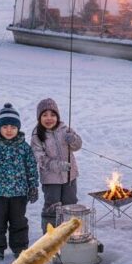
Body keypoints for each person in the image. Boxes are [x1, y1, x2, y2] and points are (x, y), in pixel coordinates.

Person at [0, 103, 39, 261]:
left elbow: (31, 168)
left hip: (19, 193)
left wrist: (33, 187)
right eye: (5, 127)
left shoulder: (24, 147)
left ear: (18, 128)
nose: (9, 130)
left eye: (13, 127)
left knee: (19, 222)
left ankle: (19, 248)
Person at [30, 98, 82, 231]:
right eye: (44, 115)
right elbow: (40, 158)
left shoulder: (65, 129)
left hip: (70, 176)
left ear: (57, 116)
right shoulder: (37, 135)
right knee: (52, 207)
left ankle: (68, 234)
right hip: (50, 179)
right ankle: (50, 237)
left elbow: (77, 146)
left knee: (70, 205)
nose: (49, 118)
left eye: (52, 115)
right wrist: (57, 165)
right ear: (39, 117)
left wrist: (73, 139)